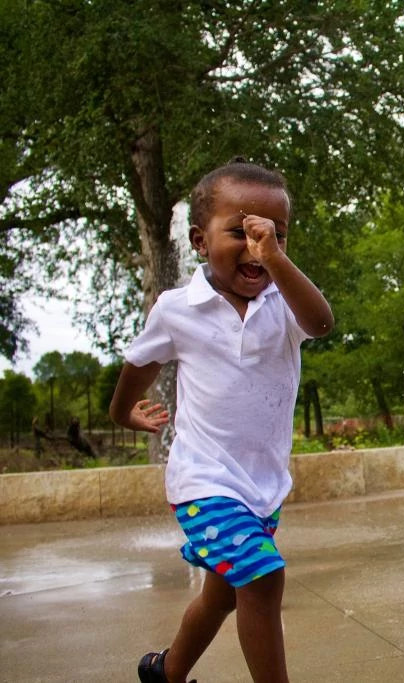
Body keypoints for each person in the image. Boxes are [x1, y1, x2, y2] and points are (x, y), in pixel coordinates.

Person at [108, 159, 334, 683]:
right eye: (242, 232)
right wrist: (122, 412)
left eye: (275, 235)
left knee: (222, 597)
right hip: (203, 481)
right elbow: (138, 365)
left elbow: (321, 322)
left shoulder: (285, 303)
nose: (259, 246)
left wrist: (277, 261)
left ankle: (168, 671)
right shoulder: (176, 309)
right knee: (262, 579)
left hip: (262, 488)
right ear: (199, 241)